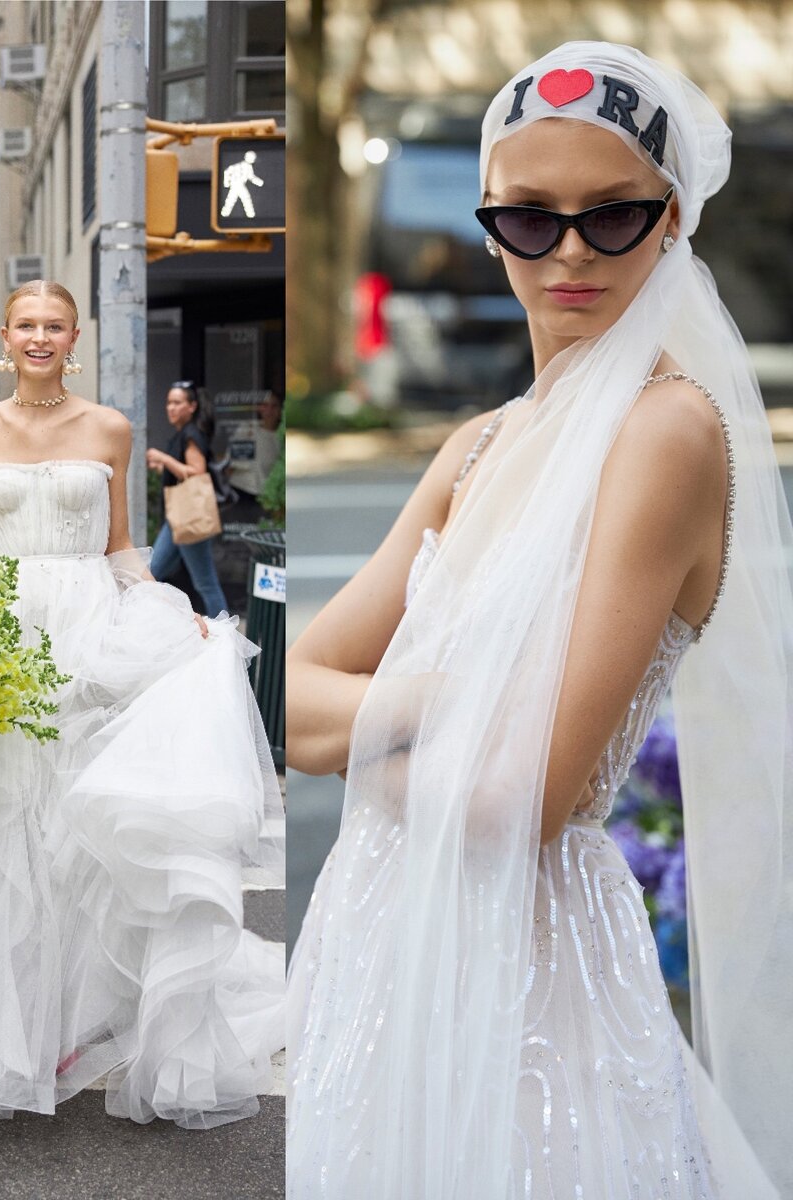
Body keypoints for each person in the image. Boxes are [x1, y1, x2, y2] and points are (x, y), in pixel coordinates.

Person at [287, 43, 792, 1199]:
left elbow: (518, 797)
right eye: (527, 219)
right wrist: (435, 705)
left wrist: (364, 744)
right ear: (488, 225)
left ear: (671, 225)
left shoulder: (664, 433)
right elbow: (291, 692)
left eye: (612, 217)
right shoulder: (479, 444)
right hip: (380, 938)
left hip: (527, 976)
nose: (568, 251)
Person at [0, 280, 284, 1128]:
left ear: (74, 338)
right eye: (26, 325)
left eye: (54, 326)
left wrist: (176, 618)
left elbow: (119, 548)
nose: (39, 337)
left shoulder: (109, 427)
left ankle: (77, 1018)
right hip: (3, 635)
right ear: (5, 335)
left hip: (88, 631)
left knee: (78, 825)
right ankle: (9, 1031)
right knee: (0, 821)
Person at [145, 382, 230, 617]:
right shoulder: (183, 434)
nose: (171, 408)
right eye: (169, 403)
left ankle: (227, 635)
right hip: (179, 518)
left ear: (192, 406)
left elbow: (197, 472)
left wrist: (163, 458)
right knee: (150, 574)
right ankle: (148, 623)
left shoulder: (191, 434)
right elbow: (181, 472)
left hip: (189, 516)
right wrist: (163, 467)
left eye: (177, 403)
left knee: (204, 582)